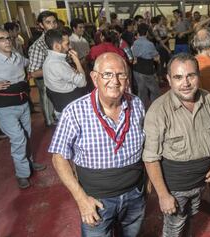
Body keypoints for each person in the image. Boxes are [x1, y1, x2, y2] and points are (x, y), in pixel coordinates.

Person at [50, 53, 146, 236]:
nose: (115, 81)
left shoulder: (137, 104)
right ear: (94, 78)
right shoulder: (75, 111)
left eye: (121, 75)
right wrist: (81, 199)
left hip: (135, 194)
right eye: (108, 74)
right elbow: (58, 157)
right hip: (96, 201)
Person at [143, 53, 210, 237]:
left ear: (198, 76)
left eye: (190, 76)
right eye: (178, 77)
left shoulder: (208, 99)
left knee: (190, 219)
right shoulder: (158, 110)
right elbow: (151, 157)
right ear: (169, 80)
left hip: (200, 184)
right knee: (174, 228)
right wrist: (163, 195)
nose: (185, 83)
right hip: (175, 188)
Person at [0, 28, 46, 189]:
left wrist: (30, 73)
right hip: (4, 107)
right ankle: (22, 173)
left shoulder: (17, 56)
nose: (7, 41)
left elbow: (29, 64)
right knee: (18, 138)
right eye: (1, 39)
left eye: (8, 38)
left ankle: (29, 163)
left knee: (27, 135)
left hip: (23, 103)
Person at [43, 29, 87, 118]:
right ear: (57, 46)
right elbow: (83, 83)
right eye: (67, 44)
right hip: (70, 109)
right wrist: (77, 61)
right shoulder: (57, 64)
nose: (70, 46)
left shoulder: (51, 59)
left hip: (63, 104)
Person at [28, 10, 58, 127]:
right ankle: (49, 122)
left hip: (60, 82)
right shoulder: (38, 46)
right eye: (48, 22)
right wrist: (55, 69)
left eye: (54, 22)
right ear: (41, 25)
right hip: (45, 82)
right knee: (51, 119)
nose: (52, 25)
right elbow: (33, 73)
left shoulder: (59, 38)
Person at [132, 23, 160, 108]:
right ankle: (154, 108)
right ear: (147, 32)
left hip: (137, 70)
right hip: (147, 70)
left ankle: (141, 110)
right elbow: (156, 58)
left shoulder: (135, 43)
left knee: (142, 92)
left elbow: (134, 56)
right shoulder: (149, 44)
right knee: (155, 91)